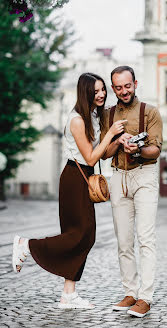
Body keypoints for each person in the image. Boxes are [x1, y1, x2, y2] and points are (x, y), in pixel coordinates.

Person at [12, 72, 127, 310]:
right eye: (96, 91)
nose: (102, 94)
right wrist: (112, 134)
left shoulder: (94, 117)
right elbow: (91, 156)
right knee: (79, 234)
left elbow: (102, 153)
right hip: (74, 177)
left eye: (103, 89)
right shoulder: (76, 120)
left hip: (84, 176)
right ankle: (26, 244)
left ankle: (68, 295)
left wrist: (119, 142)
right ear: (84, 92)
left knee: (84, 235)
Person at [101, 66, 163, 318]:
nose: (123, 91)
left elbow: (156, 150)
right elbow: (103, 153)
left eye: (127, 86)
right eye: (118, 87)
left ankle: (145, 297)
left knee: (145, 239)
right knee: (124, 241)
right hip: (118, 177)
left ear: (135, 84)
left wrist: (135, 149)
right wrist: (117, 141)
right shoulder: (108, 115)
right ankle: (130, 292)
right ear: (113, 88)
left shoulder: (150, 112)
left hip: (144, 176)